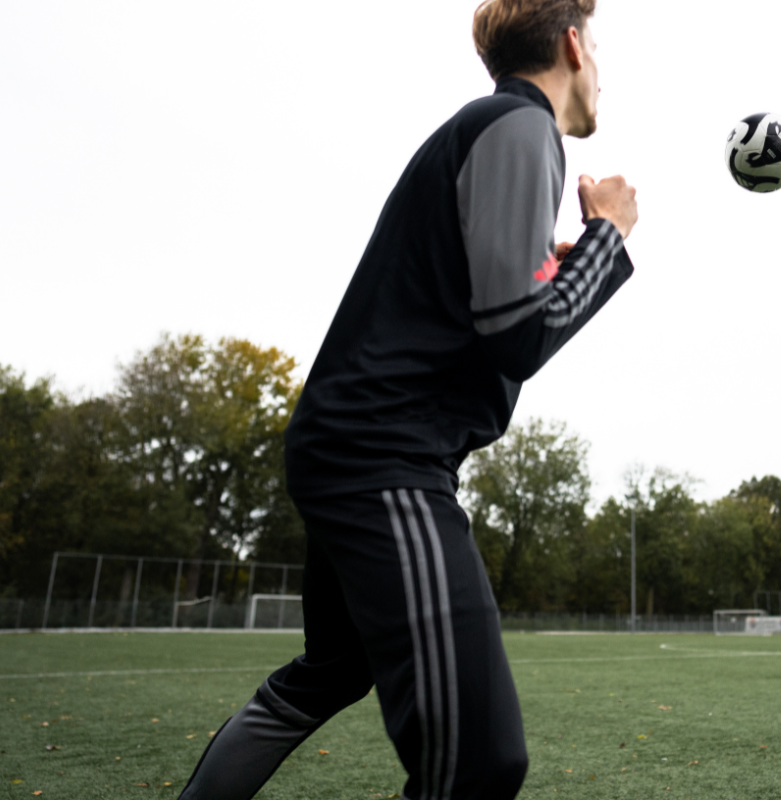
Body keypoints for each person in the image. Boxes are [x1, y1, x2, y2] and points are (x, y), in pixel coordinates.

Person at [178, 2, 636, 798]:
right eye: (595, 43)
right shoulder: (521, 126)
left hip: (351, 444)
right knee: (480, 765)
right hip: (380, 455)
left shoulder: (494, 128)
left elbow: (487, 309)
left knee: (329, 675)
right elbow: (516, 335)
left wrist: (558, 269)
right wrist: (607, 238)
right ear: (570, 44)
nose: (599, 63)